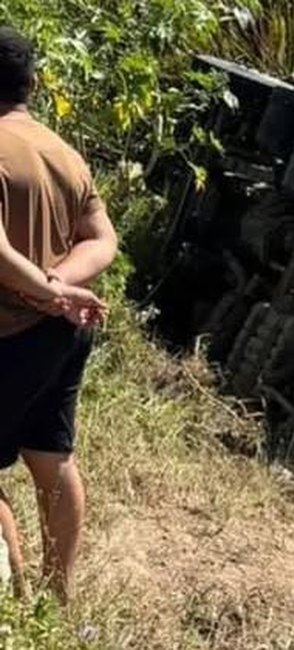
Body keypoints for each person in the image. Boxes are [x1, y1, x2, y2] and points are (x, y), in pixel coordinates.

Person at [0, 26, 117, 603]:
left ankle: (18, 599)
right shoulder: (64, 154)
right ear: (33, 83)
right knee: (53, 460)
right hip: (62, 333)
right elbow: (102, 239)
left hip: (8, 334)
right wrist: (61, 290)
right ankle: (57, 599)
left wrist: (45, 289)